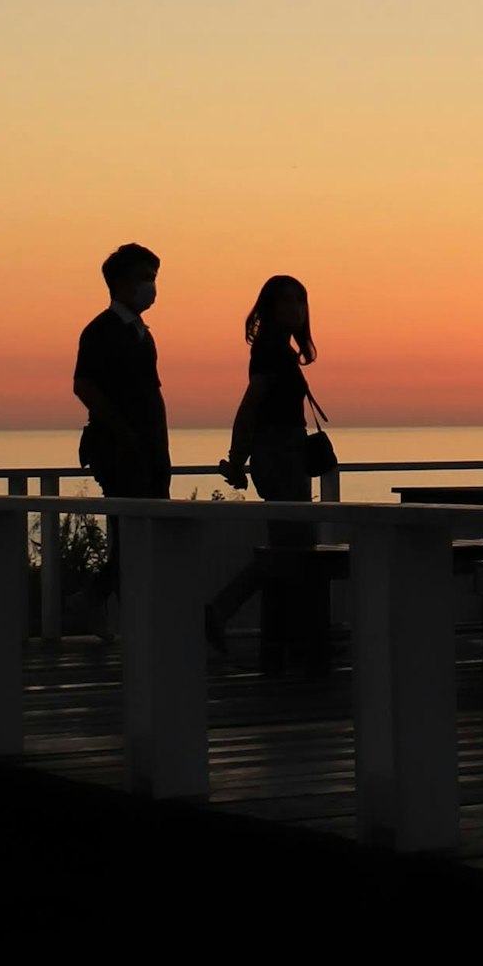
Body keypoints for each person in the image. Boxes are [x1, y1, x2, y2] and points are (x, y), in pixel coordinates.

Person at [208, 274, 330, 671]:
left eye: (301, 300)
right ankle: (223, 612)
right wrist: (238, 458)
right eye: (288, 301)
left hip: (286, 453)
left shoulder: (280, 349)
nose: (296, 308)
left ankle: (300, 635)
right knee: (292, 548)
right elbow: (251, 405)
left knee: (292, 548)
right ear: (270, 308)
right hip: (279, 455)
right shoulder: (270, 352)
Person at [70, 243, 170, 613]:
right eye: (145, 278)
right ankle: (113, 606)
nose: (151, 286)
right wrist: (124, 433)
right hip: (120, 450)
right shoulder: (101, 331)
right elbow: (84, 385)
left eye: (154, 278)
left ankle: (100, 601)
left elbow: (152, 393)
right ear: (121, 282)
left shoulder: (141, 332)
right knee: (133, 534)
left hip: (149, 448)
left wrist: (159, 444)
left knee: (145, 533)